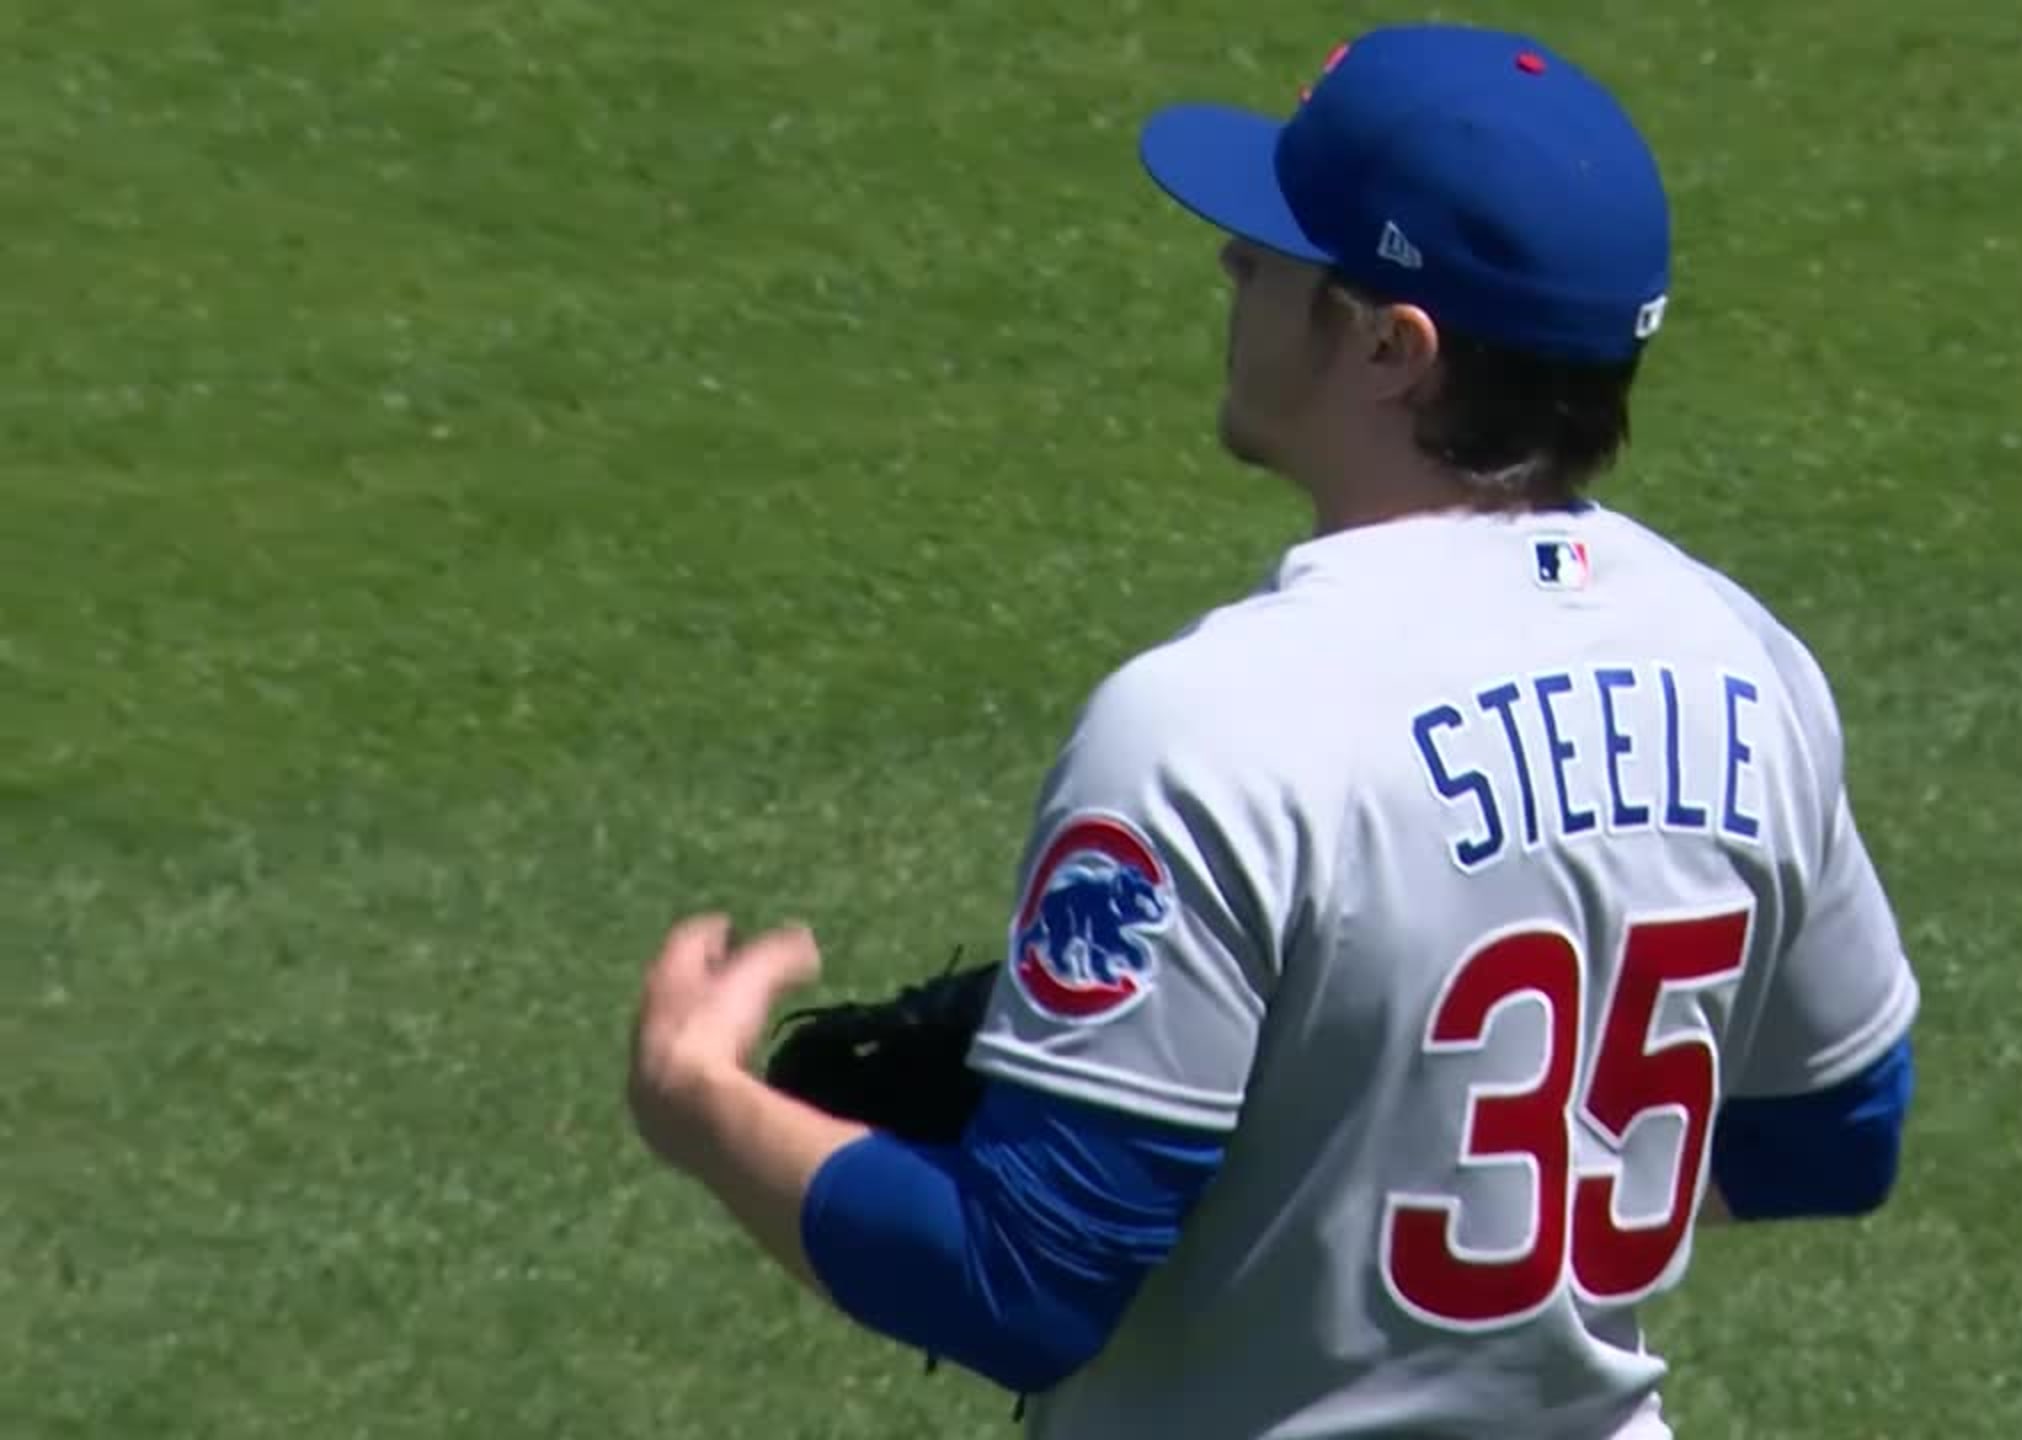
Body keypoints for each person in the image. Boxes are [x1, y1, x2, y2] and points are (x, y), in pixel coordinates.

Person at [625, 22, 1920, 1439]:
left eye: (1275, 254)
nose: (1233, 268)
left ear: (1389, 346)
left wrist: (700, 1102)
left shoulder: (1215, 728)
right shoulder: (1743, 662)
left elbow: (1016, 1284)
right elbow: (1833, 1134)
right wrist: (1443, 1215)